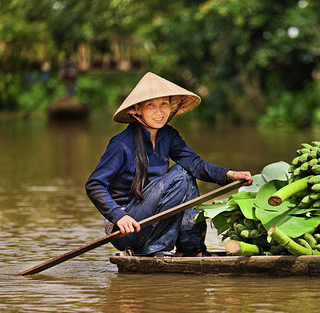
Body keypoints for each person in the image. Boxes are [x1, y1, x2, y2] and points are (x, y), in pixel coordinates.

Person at [85, 72, 252, 257]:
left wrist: (228, 175)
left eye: (164, 104)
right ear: (137, 110)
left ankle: (192, 249)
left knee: (186, 173)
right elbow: (94, 185)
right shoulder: (121, 144)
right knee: (180, 174)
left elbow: (195, 164)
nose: (159, 112)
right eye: (151, 106)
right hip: (127, 229)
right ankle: (153, 250)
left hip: (152, 220)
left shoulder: (168, 135)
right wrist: (119, 216)